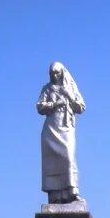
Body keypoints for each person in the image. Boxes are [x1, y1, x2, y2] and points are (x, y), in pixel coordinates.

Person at [36, 62, 86, 203]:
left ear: (62, 73)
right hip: (51, 128)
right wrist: (53, 104)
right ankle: (55, 195)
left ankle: (72, 191)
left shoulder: (70, 88)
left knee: (68, 157)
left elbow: (81, 107)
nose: (54, 75)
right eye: (51, 73)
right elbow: (39, 107)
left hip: (66, 128)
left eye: (56, 73)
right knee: (53, 162)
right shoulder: (47, 89)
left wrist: (68, 95)